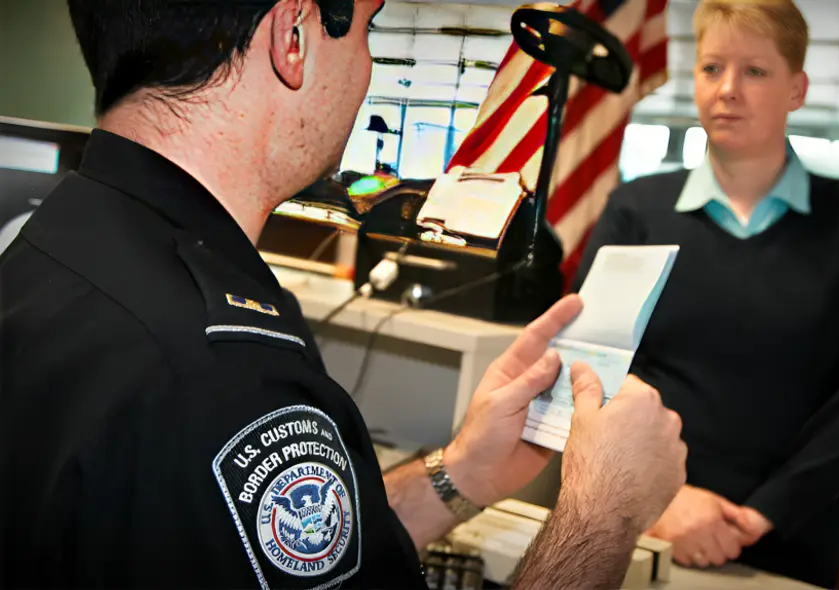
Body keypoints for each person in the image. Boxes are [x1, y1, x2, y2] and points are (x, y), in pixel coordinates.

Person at [0, 0, 689, 587]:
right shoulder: (222, 371)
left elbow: (277, 548)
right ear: (292, 37)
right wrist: (604, 513)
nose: (366, 69)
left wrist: (462, 472)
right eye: (365, 30)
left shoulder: (60, 241)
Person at [573, 0, 839, 587]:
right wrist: (668, 502)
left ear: (797, 89)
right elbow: (588, 365)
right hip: (639, 521)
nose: (727, 89)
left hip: (789, 535)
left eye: (754, 71)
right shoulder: (637, 208)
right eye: (711, 68)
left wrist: (757, 516)